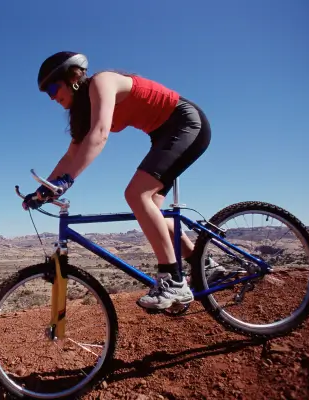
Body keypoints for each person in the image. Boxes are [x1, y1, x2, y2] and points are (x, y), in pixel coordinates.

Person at [21, 51, 211, 310]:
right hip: (164, 135)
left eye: (53, 87)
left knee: (136, 195)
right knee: (150, 207)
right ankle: (203, 263)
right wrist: (43, 190)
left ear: (74, 76)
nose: (52, 97)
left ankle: (173, 281)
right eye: (47, 93)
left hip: (186, 124)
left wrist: (67, 180)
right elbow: (72, 154)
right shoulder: (83, 112)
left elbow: (99, 135)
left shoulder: (102, 82)